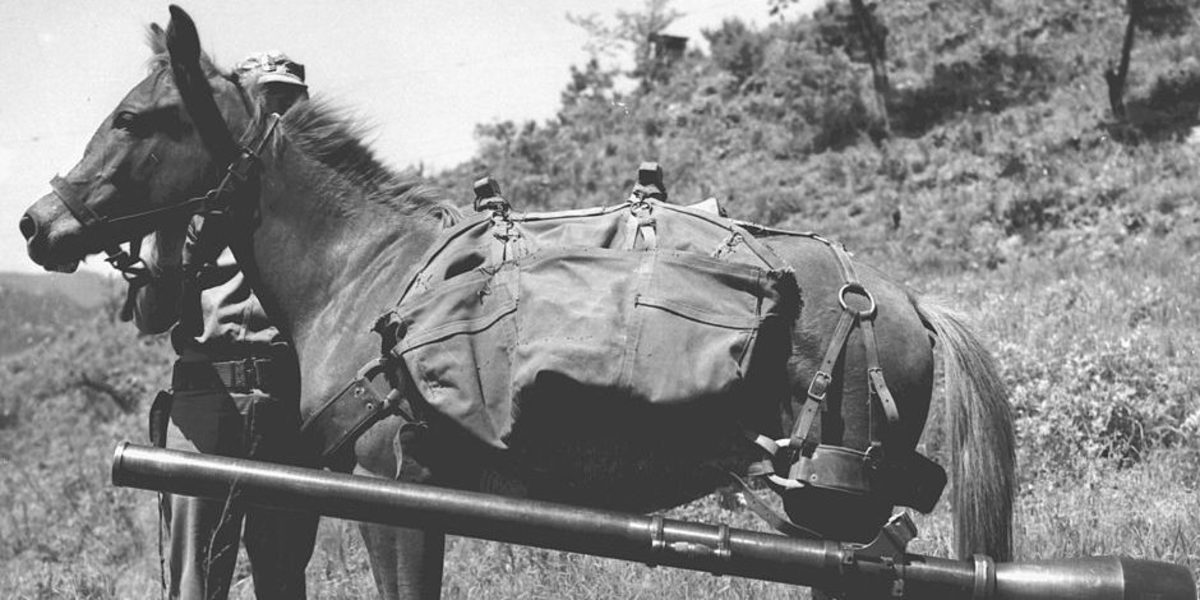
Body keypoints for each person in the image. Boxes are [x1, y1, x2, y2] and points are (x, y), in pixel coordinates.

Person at [131, 52, 317, 600]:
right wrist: (170, 243)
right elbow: (150, 316)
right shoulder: (186, 197)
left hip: (288, 401)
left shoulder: (318, 208)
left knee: (283, 576)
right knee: (197, 581)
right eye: (267, 101)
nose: (278, 116)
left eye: (289, 103)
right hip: (206, 399)